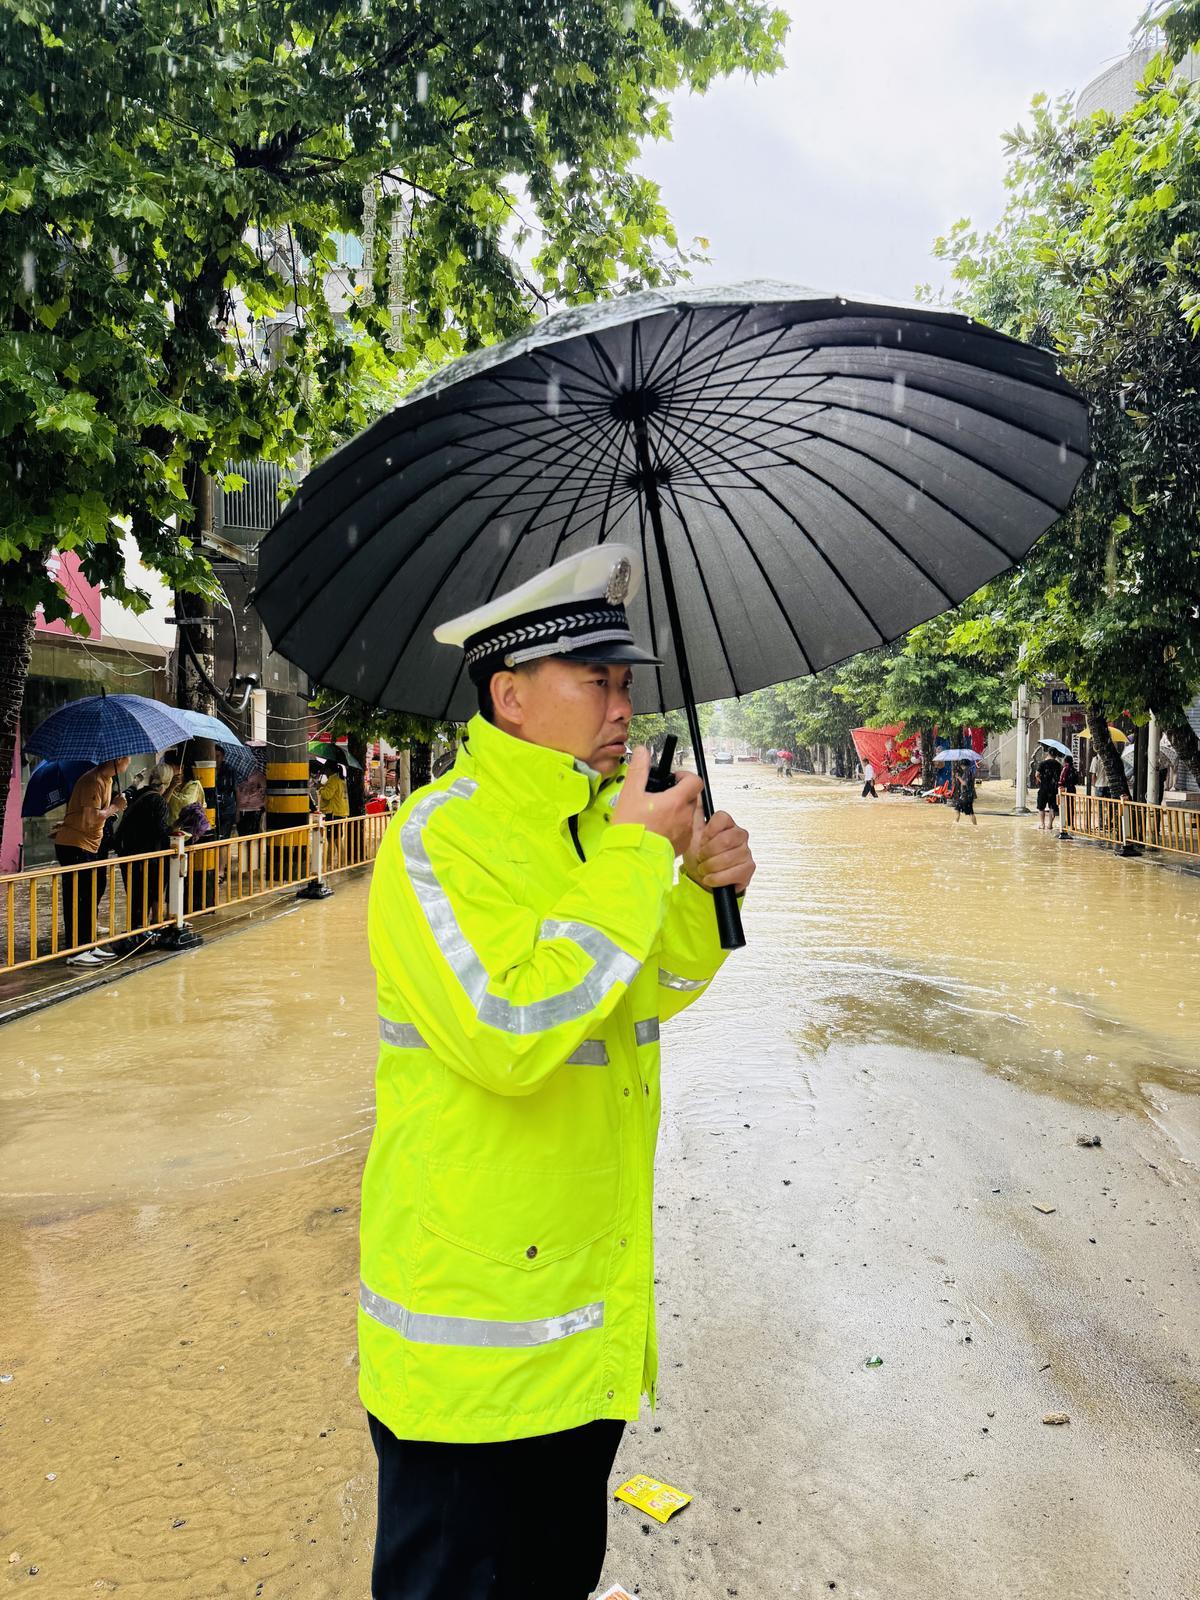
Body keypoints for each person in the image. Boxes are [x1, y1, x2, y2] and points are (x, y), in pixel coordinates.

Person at [360, 543, 755, 1600]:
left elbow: (639, 994)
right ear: (512, 695)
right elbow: (513, 1028)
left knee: (556, 1579)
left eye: (628, 682)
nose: (623, 704)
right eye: (598, 680)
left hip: (585, 1321)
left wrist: (696, 895)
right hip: (472, 1354)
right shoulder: (437, 838)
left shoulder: (596, 826)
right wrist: (635, 858)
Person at [53, 756, 130, 966]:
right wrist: (115, 807)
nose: (129, 763)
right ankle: (75, 951)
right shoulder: (92, 781)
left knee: (89, 896)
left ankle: (88, 945)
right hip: (76, 845)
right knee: (78, 898)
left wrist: (114, 803)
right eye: (128, 759)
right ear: (119, 760)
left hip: (89, 845)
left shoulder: (107, 780)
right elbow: (89, 819)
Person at [114, 763, 173, 943]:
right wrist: (179, 826)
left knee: (135, 895)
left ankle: (137, 932)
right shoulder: (158, 801)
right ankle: (147, 932)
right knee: (151, 893)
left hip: (128, 854)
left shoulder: (139, 794)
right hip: (148, 856)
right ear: (166, 783)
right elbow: (161, 831)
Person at [236, 764, 267, 835]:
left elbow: (264, 790)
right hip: (242, 808)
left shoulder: (258, 775)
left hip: (255, 808)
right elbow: (237, 791)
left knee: (253, 834)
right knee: (242, 833)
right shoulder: (238, 775)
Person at [1036, 754, 1061, 830]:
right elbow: (1060, 777)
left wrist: (1042, 781)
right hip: (1054, 789)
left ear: (1049, 753)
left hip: (1043, 788)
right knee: (1052, 807)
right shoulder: (1058, 765)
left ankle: (1042, 824)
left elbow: (1037, 775)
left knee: (1041, 807)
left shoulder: (1042, 763)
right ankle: (1050, 825)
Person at [952, 758, 979, 826]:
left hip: (967, 795)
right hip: (966, 795)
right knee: (957, 809)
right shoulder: (968, 771)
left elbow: (964, 783)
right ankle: (956, 823)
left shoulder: (967, 772)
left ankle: (975, 825)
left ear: (962, 765)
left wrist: (959, 778)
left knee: (970, 812)